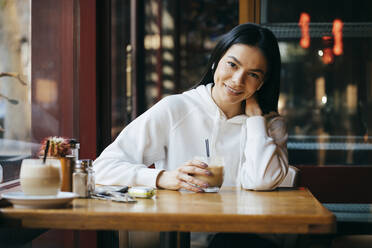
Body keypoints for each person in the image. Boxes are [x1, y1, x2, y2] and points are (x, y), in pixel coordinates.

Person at [93, 22, 288, 194]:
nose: (237, 80)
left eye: (253, 75)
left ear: (262, 83)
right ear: (215, 62)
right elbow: (102, 168)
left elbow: (263, 181)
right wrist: (162, 178)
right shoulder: (176, 109)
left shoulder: (269, 125)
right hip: (184, 231)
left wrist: (255, 121)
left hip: (242, 232)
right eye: (232, 65)